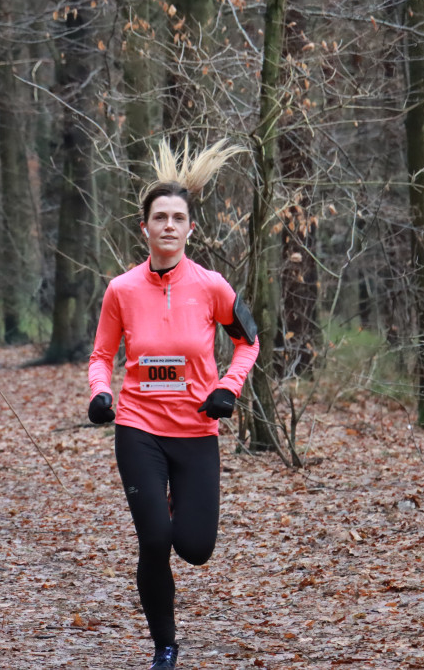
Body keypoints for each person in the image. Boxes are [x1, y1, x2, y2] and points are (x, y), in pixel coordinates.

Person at [87, 139, 259, 670]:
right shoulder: (121, 289)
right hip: (138, 427)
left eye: (177, 218)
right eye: (158, 217)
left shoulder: (212, 287)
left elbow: (249, 342)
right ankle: (165, 645)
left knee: (196, 547)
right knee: (155, 539)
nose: (167, 225)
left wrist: (229, 386)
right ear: (145, 228)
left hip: (196, 431)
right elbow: (101, 355)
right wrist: (100, 393)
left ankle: (174, 509)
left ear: (189, 229)